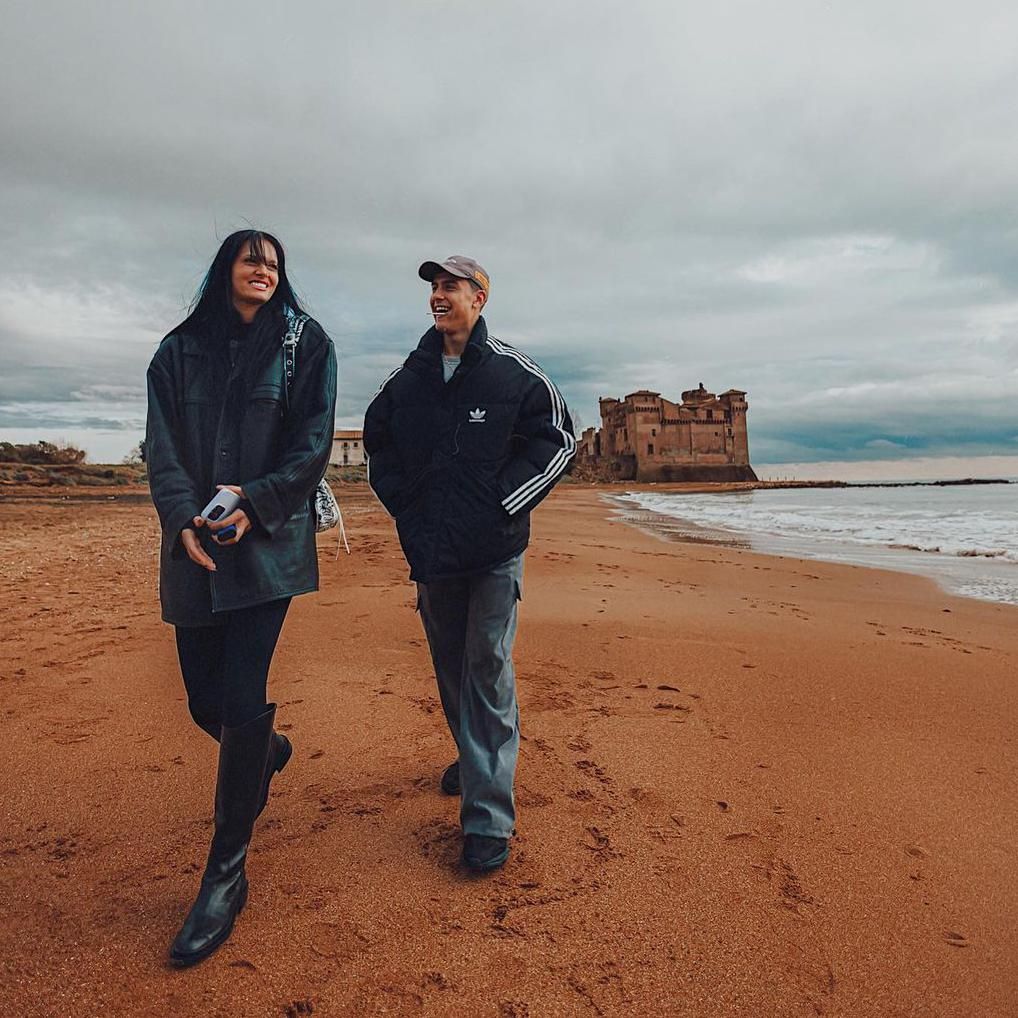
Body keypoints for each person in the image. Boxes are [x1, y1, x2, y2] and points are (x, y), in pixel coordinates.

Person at [146, 230, 337, 965]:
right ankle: (269, 752)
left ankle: (225, 875)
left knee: (241, 691)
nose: (264, 268)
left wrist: (254, 500)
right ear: (225, 268)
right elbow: (161, 448)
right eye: (250, 257)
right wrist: (180, 521)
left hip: (268, 548)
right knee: (204, 702)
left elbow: (313, 443)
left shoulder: (304, 343)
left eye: (274, 261)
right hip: (193, 545)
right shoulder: (177, 351)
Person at [363, 255, 575, 872]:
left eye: (450, 285)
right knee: (451, 666)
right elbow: (379, 442)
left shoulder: (513, 373)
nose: (438, 294)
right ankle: (474, 752)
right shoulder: (409, 377)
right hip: (431, 551)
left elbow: (559, 437)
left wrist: (503, 504)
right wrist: (406, 506)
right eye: (433, 286)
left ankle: (487, 819)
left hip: (492, 553)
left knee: (486, 667)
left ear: (479, 298)